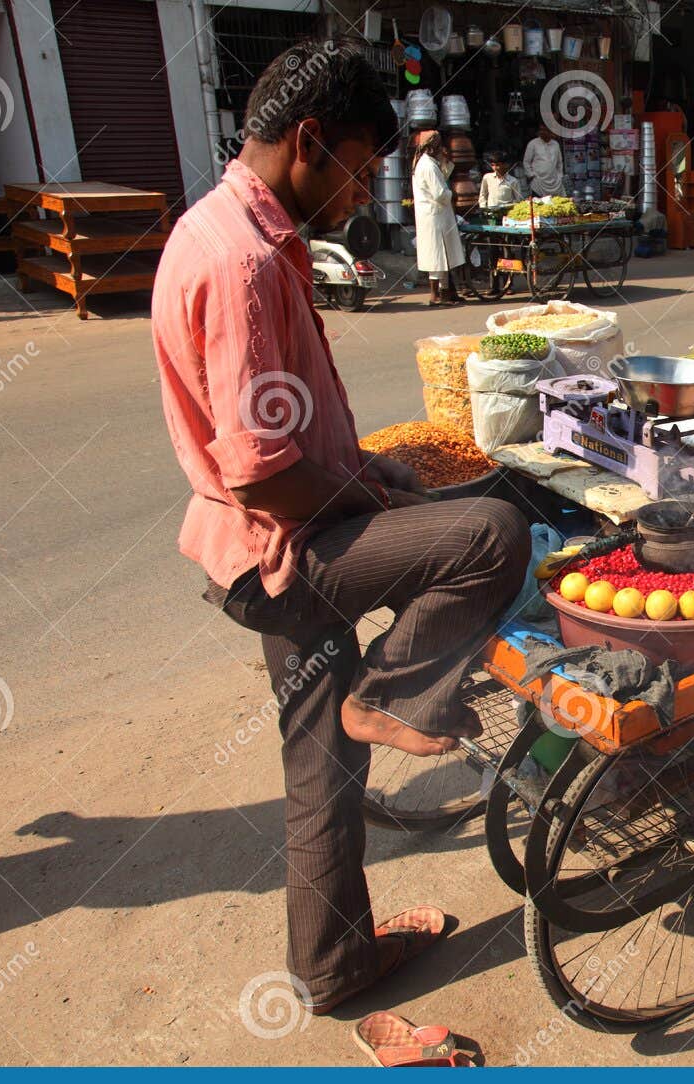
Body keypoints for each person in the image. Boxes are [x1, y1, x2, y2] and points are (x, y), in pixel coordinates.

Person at [151, 40, 531, 1015]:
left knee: (319, 763)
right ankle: (394, 691)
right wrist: (378, 503)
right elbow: (264, 471)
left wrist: (371, 473)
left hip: (250, 541)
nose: (366, 192)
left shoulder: (225, 227)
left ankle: (332, 965)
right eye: (363, 167)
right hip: (278, 550)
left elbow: (287, 434)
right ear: (311, 142)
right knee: (490, 531)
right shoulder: (242, 263)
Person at [412, 130, 464, 306]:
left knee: (442, 255)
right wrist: (453, 194)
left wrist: (446, 161)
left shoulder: (430, 163)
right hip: (434, 216)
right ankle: (436, 295)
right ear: (432, 146)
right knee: (436, 256)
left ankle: (446, 292)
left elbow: (442, 177)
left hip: (437, 216)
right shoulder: (427, 165)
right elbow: (440, 193)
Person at [523, 123, 565, 196]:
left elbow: (559, 163)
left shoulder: (555, 144)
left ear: (551, 131)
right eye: (541, 130)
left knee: (556, 204)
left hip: (554, 182)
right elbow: (526, 162)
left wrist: (560, 175)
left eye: (545, 130)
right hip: (538, 182)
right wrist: (532, 175)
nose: (542, 132)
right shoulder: (533, 143)